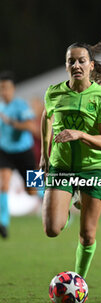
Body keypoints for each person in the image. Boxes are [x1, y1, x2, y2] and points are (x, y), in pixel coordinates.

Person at [40, 31, 101, 280]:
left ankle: (79, 281)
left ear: (91, 65)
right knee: (52, 229)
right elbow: (46, 116)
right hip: (61, 166)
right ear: (65, 65)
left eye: (81, 61)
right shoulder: (54, 93)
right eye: (71, 61)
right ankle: (74, 194)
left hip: (92, 168)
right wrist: (44, 155)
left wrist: (80, 135)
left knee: (88, 234)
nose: (76, 65)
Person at [0, 71, 38, 239]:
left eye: (6, 88)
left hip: (24, 152)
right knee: (3, 183)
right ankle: (3, 223)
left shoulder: (21, 105)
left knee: (33, 189)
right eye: (1, 88)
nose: (4, 91)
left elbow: (32, 127)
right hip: (5, 151)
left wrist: (12, 123)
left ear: (13, 89)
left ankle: (54, 200)